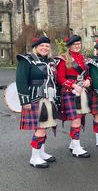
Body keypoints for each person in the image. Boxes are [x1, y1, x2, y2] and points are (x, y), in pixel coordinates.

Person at [16, 35, 58, 168]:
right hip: (34, 99)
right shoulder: (26, 60)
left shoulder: (50, 61)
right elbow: (21, 80)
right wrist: (25, 100)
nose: (45, 48)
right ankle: (34, 157)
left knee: (44, 127)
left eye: (47, 46)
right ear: (35, 47)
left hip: (48, 98)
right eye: (42, 46)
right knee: (40, 129)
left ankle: (42, 152)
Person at [56, 35, 90, 158]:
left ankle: (73, 144)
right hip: (69, 91)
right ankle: (76, 148)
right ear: (69, 46)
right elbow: (60, 78)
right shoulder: (63, 59)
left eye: (79, 44)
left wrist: (88, 81)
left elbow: (87, 75)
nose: (77, 46)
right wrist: (73, 86)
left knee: (80, 118)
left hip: (82, 91)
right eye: (75, 44)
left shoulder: (83, 58)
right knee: (76, 119)